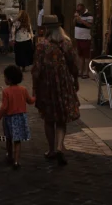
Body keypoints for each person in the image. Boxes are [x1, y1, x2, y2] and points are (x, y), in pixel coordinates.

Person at [32, 15, 80, 166]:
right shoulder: (66, 43)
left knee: (48, 118)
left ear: (46, 28)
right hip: (64, 83)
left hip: (46, 84)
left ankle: (51, 149)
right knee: (61, 117)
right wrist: (75, 79)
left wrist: (35, 87)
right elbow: (73, 64)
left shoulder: (42, 45)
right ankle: (60, 147)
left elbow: (36, 69)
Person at [0, 65, 35, 170]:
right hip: (20, 118)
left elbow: (4, 107)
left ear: (9, 79)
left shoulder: (6, 91)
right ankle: (16, 161)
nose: (4, 79)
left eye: (5, 77)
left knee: (8, 138)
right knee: (17, 140)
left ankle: (10, 155)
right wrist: (35, 96)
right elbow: (30, 101)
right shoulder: (23, 89)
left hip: (8, 118)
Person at [74, 3, 93, 79]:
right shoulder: (78, 15)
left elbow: (89, 25)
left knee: (86, 56)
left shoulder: (89, 15)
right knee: (80, 55)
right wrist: (75, 18)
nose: (79, 11)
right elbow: (74, 24)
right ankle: (80, 71)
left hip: (85, 38)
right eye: (78, 10)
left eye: (80, 10)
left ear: (83, 9)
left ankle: (86, 72)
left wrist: (81, 20)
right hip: (78, 37)